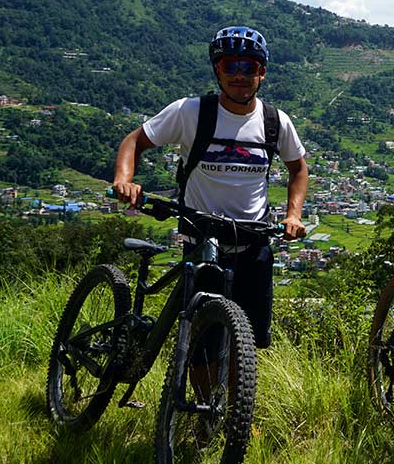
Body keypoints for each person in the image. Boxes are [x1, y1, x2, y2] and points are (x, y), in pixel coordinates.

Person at [112, 26, 309, 349]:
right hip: (202, 239)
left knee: (246, 344)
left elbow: (298, 168)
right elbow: (135, 141)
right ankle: (203, 399)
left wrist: (294, 215)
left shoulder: (276, 122)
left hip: (253, 241)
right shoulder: (191, 112)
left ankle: (232, 403)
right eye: (230, 65)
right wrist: (124, 180)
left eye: (250, 67)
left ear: (262, 73)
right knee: (203, 344)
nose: (239, 75)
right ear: (217, 69)